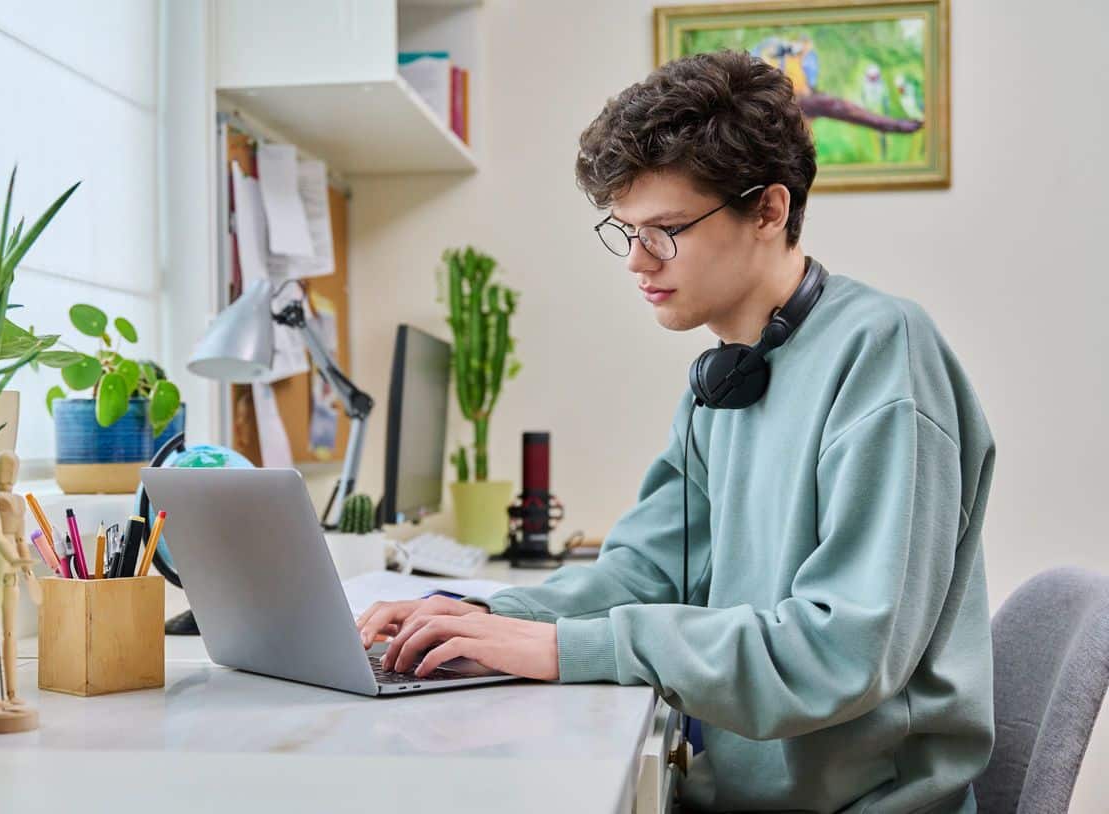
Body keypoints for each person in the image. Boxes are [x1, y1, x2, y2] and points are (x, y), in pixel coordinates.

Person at [357, 50, 995, 813]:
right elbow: (643, 575)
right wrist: (486, 618)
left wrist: (568, 649)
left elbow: (840, 653)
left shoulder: (884, 353)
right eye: (624, 231)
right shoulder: (724, 378)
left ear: (769, 211)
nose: (636, 260)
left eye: (665, 230)